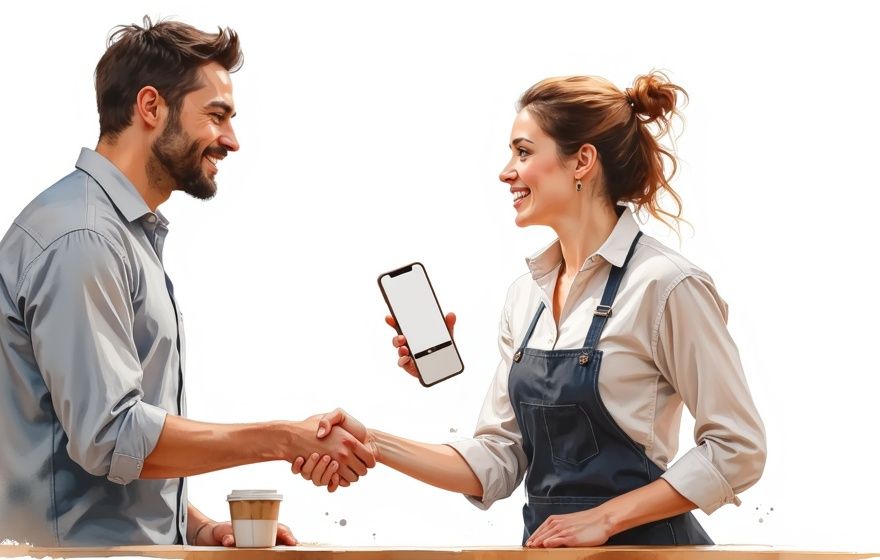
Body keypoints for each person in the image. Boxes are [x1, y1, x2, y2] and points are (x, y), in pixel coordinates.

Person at [294, 71, 767, 547]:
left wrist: (605, 519)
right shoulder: (526, 299)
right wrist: (373, 442)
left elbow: (738, 448)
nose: (505, 171)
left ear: (582, 161)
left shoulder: (666, 285)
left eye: (523, 152)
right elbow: (496, 460)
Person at [0, 16, 374, 548]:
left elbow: (95, 444)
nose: (231, 139)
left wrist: (194, 524)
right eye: (216, 115)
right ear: (151, 107)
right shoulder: (83, 239)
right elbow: (112, 437)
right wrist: (282, 439)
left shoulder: (117, 234)